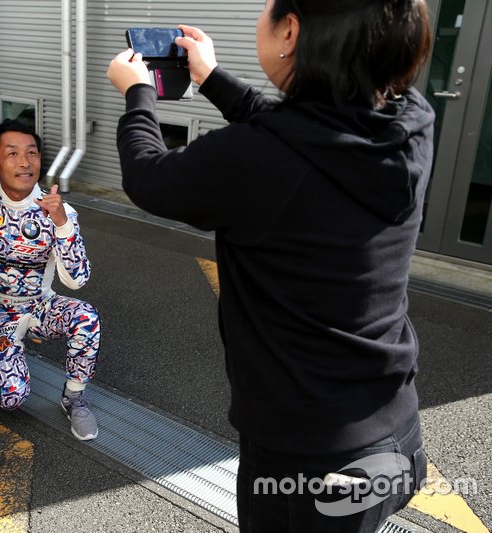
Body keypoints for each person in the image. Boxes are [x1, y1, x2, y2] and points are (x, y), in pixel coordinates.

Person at [107, 1, 433, 531]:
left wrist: (138, 93)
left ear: (292, 31)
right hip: (393, 425)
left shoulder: (260, 157)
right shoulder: (410, 120)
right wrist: (211, 78)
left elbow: (149, 177)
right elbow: (300, 141)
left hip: (308, 460)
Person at [0, 119, 100, 441]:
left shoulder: (59, 210)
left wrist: (60, 224)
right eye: (12, 153)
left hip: (40, 304)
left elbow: (78, 280)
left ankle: (74, 398)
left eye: (32, 153)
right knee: (12, 398)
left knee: (85, 318)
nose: (24, 162)